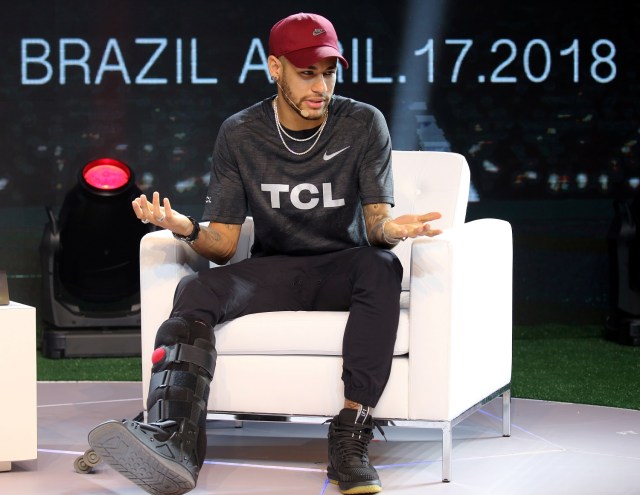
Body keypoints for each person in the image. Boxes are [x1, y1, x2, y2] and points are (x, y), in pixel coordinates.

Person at [88, 12, 442, 495]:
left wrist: (392, 230)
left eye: (329, 72)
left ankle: (350, 437)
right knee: (196, 288)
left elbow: (378, 227)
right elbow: (226, 245)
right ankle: (175, 440)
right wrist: (185, 227)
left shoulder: (363, 123)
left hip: (345, 266)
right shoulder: (240, 132)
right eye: (307, 73)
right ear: (275, 68)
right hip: (275, 270)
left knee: (381, 265)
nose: (321, 86)